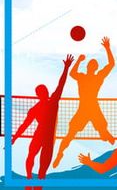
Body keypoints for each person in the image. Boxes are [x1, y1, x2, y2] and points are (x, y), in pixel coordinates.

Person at [12, 54, 74, 189]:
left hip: (45, 137)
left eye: (44, 91)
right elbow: (24, 125)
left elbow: (60, 85)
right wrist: (14, 138)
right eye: (43, 92)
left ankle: (33, 182)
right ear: (40, 95)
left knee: (39, 166)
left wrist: (66, 68)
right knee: (32, 158)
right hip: (42, 135)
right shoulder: (41, 106)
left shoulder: (51, 102)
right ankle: (29, 180)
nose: (44, 93)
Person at [53, 37, 115, 168]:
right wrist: (107, 49)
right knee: (72, 134)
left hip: (87, 108)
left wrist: (79, 61)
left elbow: (72, 73)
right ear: (94, 68)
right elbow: (111, 65)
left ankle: (104, 133)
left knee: (71, 135)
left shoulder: (84, 77)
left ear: (88, 67)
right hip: (90, 108)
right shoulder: (96, 77)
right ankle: (60, 154)